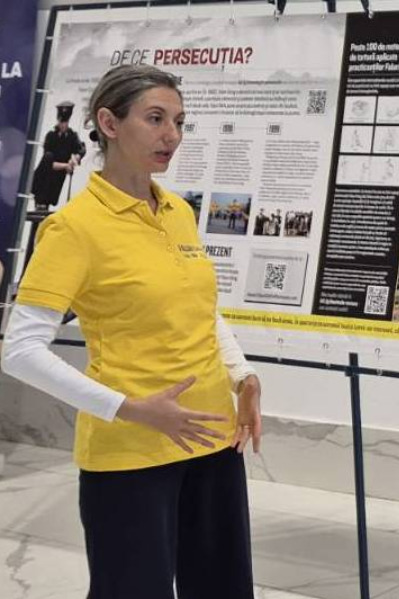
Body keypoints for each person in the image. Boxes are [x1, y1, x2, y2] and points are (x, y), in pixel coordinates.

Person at [1, 64, 261, 599]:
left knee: (223, 588)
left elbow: (199, 309)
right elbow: (20, 350)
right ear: (108, 123)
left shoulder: (177, 213)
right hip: (131, 453)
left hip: (213, 439)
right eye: (156, 118)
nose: (172, 136)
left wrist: (242, 375)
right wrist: (131, 408)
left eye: (180, 122)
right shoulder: (74, 227)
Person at [31, 101, 87, 209]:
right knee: (40, 210)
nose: (63, 125)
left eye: (65, 122)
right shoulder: (51, 136)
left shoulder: (71, 136)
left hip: (56, 180)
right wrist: (67, 166)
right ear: (58, 121)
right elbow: (48, 163)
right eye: (61, 122)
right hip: (43, 181)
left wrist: (75, 158)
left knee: (47, 214)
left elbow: (81, 149)